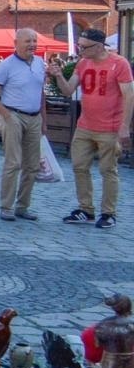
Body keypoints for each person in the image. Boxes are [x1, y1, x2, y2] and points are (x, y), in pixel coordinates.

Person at [48, 27, 133, 228]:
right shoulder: (83, 63)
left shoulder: (118, 64)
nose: (80, 50)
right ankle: (86, 209)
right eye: (79, 46)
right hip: (85, 125)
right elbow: (69, 90)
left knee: (108, 170)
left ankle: (108, 213)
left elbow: (129, 95)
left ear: (98, 46)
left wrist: (124, 126)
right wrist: (59, 76)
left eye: (84, 47)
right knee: (79, 167)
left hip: (109, 127)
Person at [0, 29, 46, 222]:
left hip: (34, 116)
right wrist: (6, 115)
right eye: (28, 41)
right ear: (16, 43)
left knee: (32, 165)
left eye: (34, 41)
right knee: (13, 162)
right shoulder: (6, 65)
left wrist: (44, 119)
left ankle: (23, 206)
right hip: (14, 115)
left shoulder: (39, 63)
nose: (32, 45)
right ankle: (6, 206)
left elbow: (40, 92)